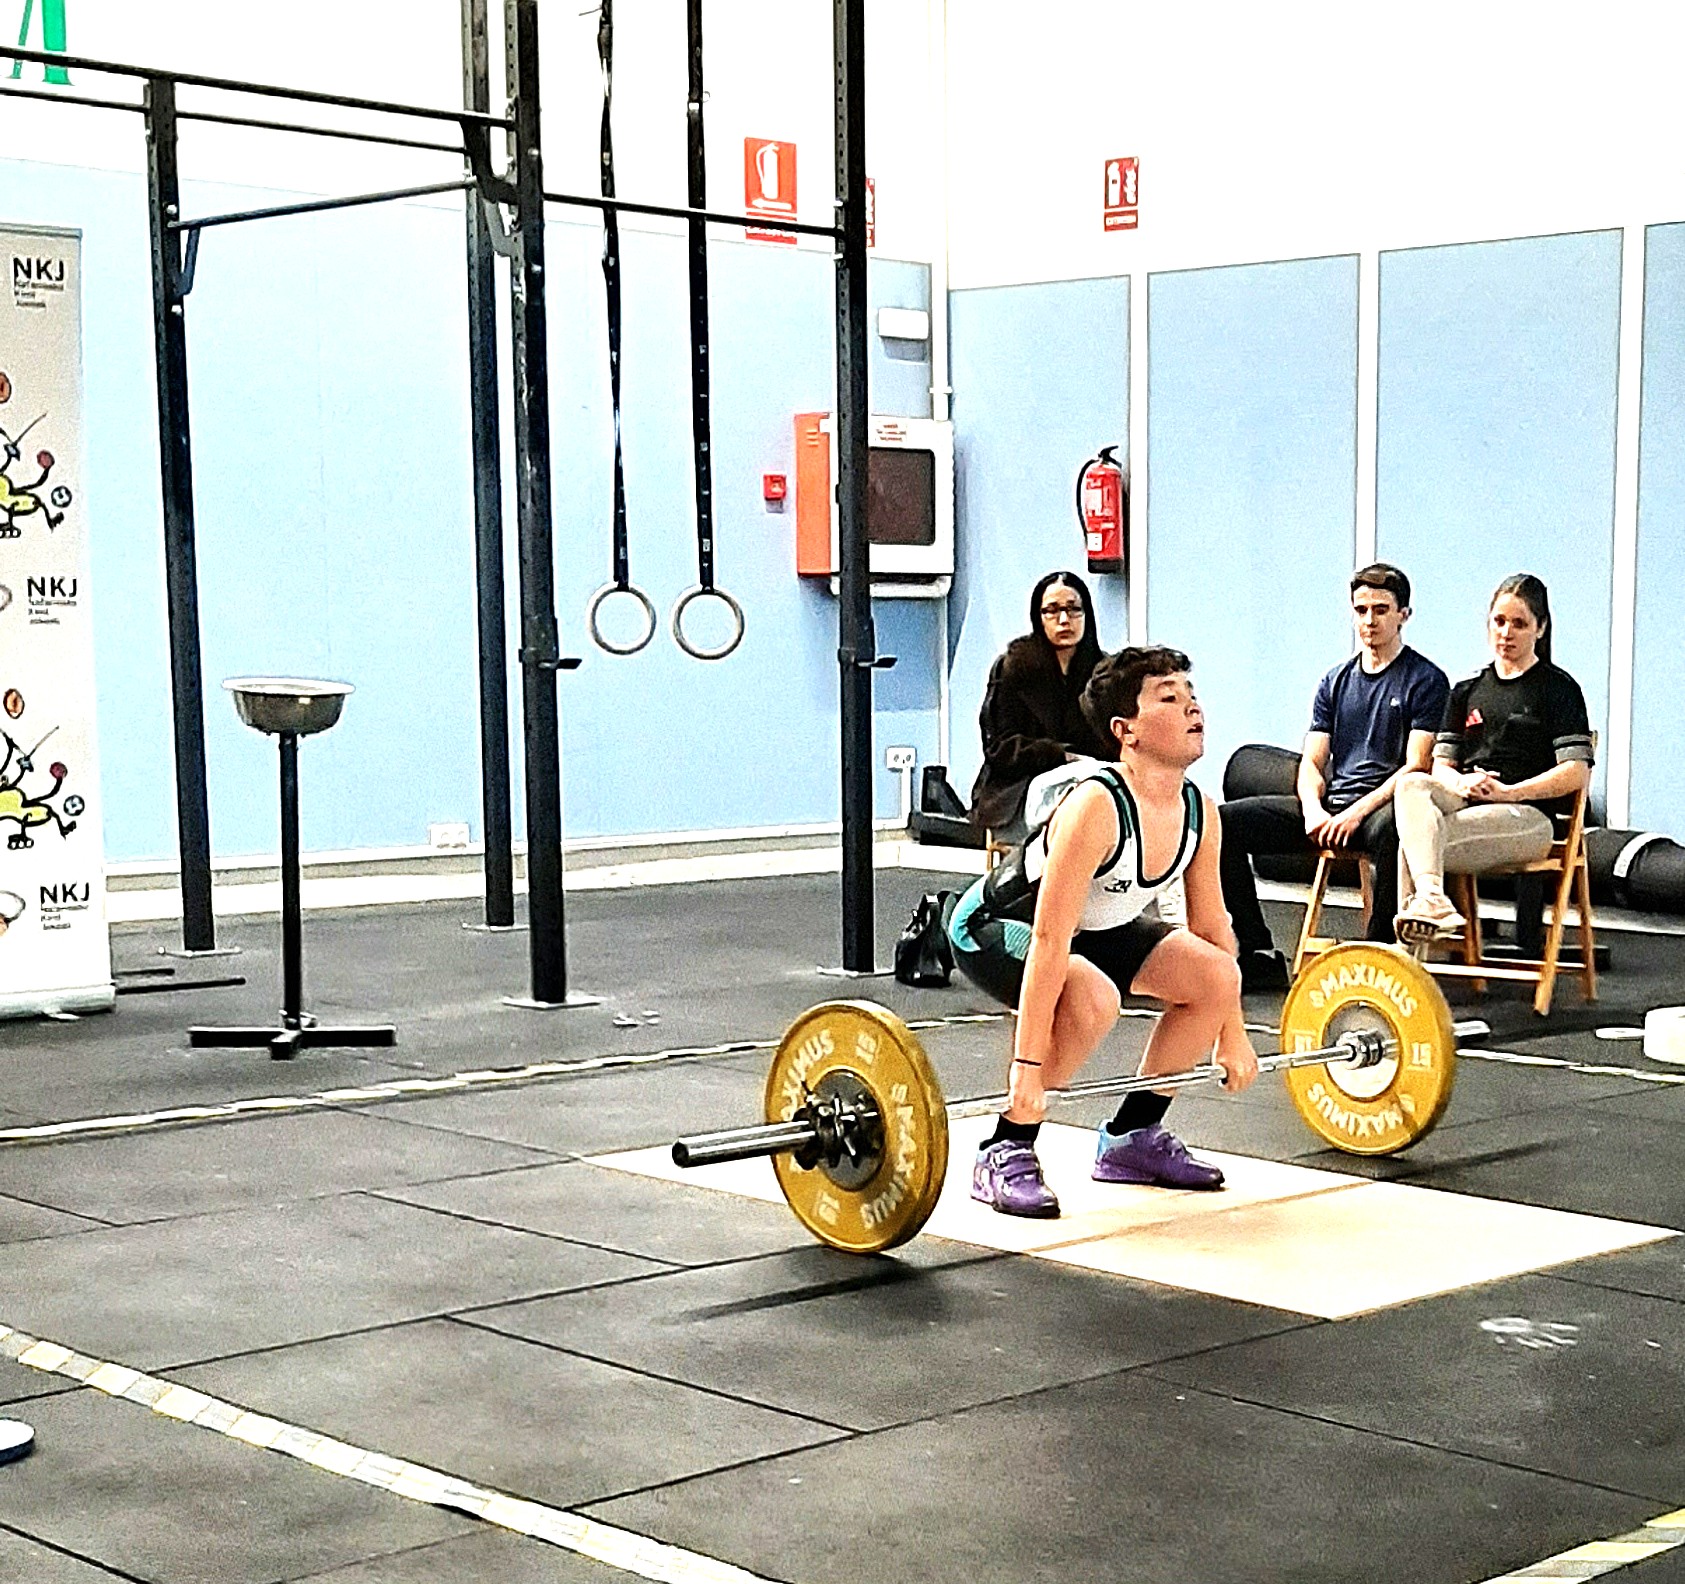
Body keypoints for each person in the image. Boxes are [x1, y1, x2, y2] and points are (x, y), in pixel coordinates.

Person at [946, 646, 1258, 1219]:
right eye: (1169, 698)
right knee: (1093, 997)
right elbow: (1049, 938)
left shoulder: (1199, 809)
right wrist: (1026, 1070)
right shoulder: (1097, 805)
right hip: (995, 927)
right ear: (1125, 730)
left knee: (1215, 976)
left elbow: (1213, 927)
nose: (1192, 707)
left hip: (1095, 927)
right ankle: (1006, 1146)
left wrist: (1231, 1033)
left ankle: (1131, 1139)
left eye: (1191, 695)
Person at [1219, 564, 1449, 990]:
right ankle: (1256, 951)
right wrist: (1313, 810)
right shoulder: (1335, 680)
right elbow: (1312, 761)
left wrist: (1355, 813)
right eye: (1361, 610)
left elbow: (1416, 766)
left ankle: (1378, 959)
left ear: (1404, 615)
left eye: (1381, 610)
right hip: (1332, 808)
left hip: (1384, 807)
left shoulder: (1426, 680)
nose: (1369, 620)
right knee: (1222, 824)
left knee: (1394, 830)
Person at [1392, 574, 1593, 941]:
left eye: (1519, 624)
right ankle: (1432, 899)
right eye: (1499, 621)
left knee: (1415, 844)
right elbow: (1441, 766)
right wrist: (1461, 782)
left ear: (1540, 628)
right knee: (1411, 784)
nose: (1506, 633)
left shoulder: (1558, 689)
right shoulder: (1467, 689)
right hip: (1469, 799)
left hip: (1528, 815)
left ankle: (1415, 946)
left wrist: (1510, 792)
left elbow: (1576, 772)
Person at [969, 570, 1112, 839]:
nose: (1064, 620)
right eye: (1052, 611)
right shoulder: (1013, 666)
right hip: (1018, 790)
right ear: (1038, 617)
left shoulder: (1104, 671)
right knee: (1075, 814)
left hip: (1091, 786)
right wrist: (1061, 756)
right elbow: (999, 747)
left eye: (1073, 609)